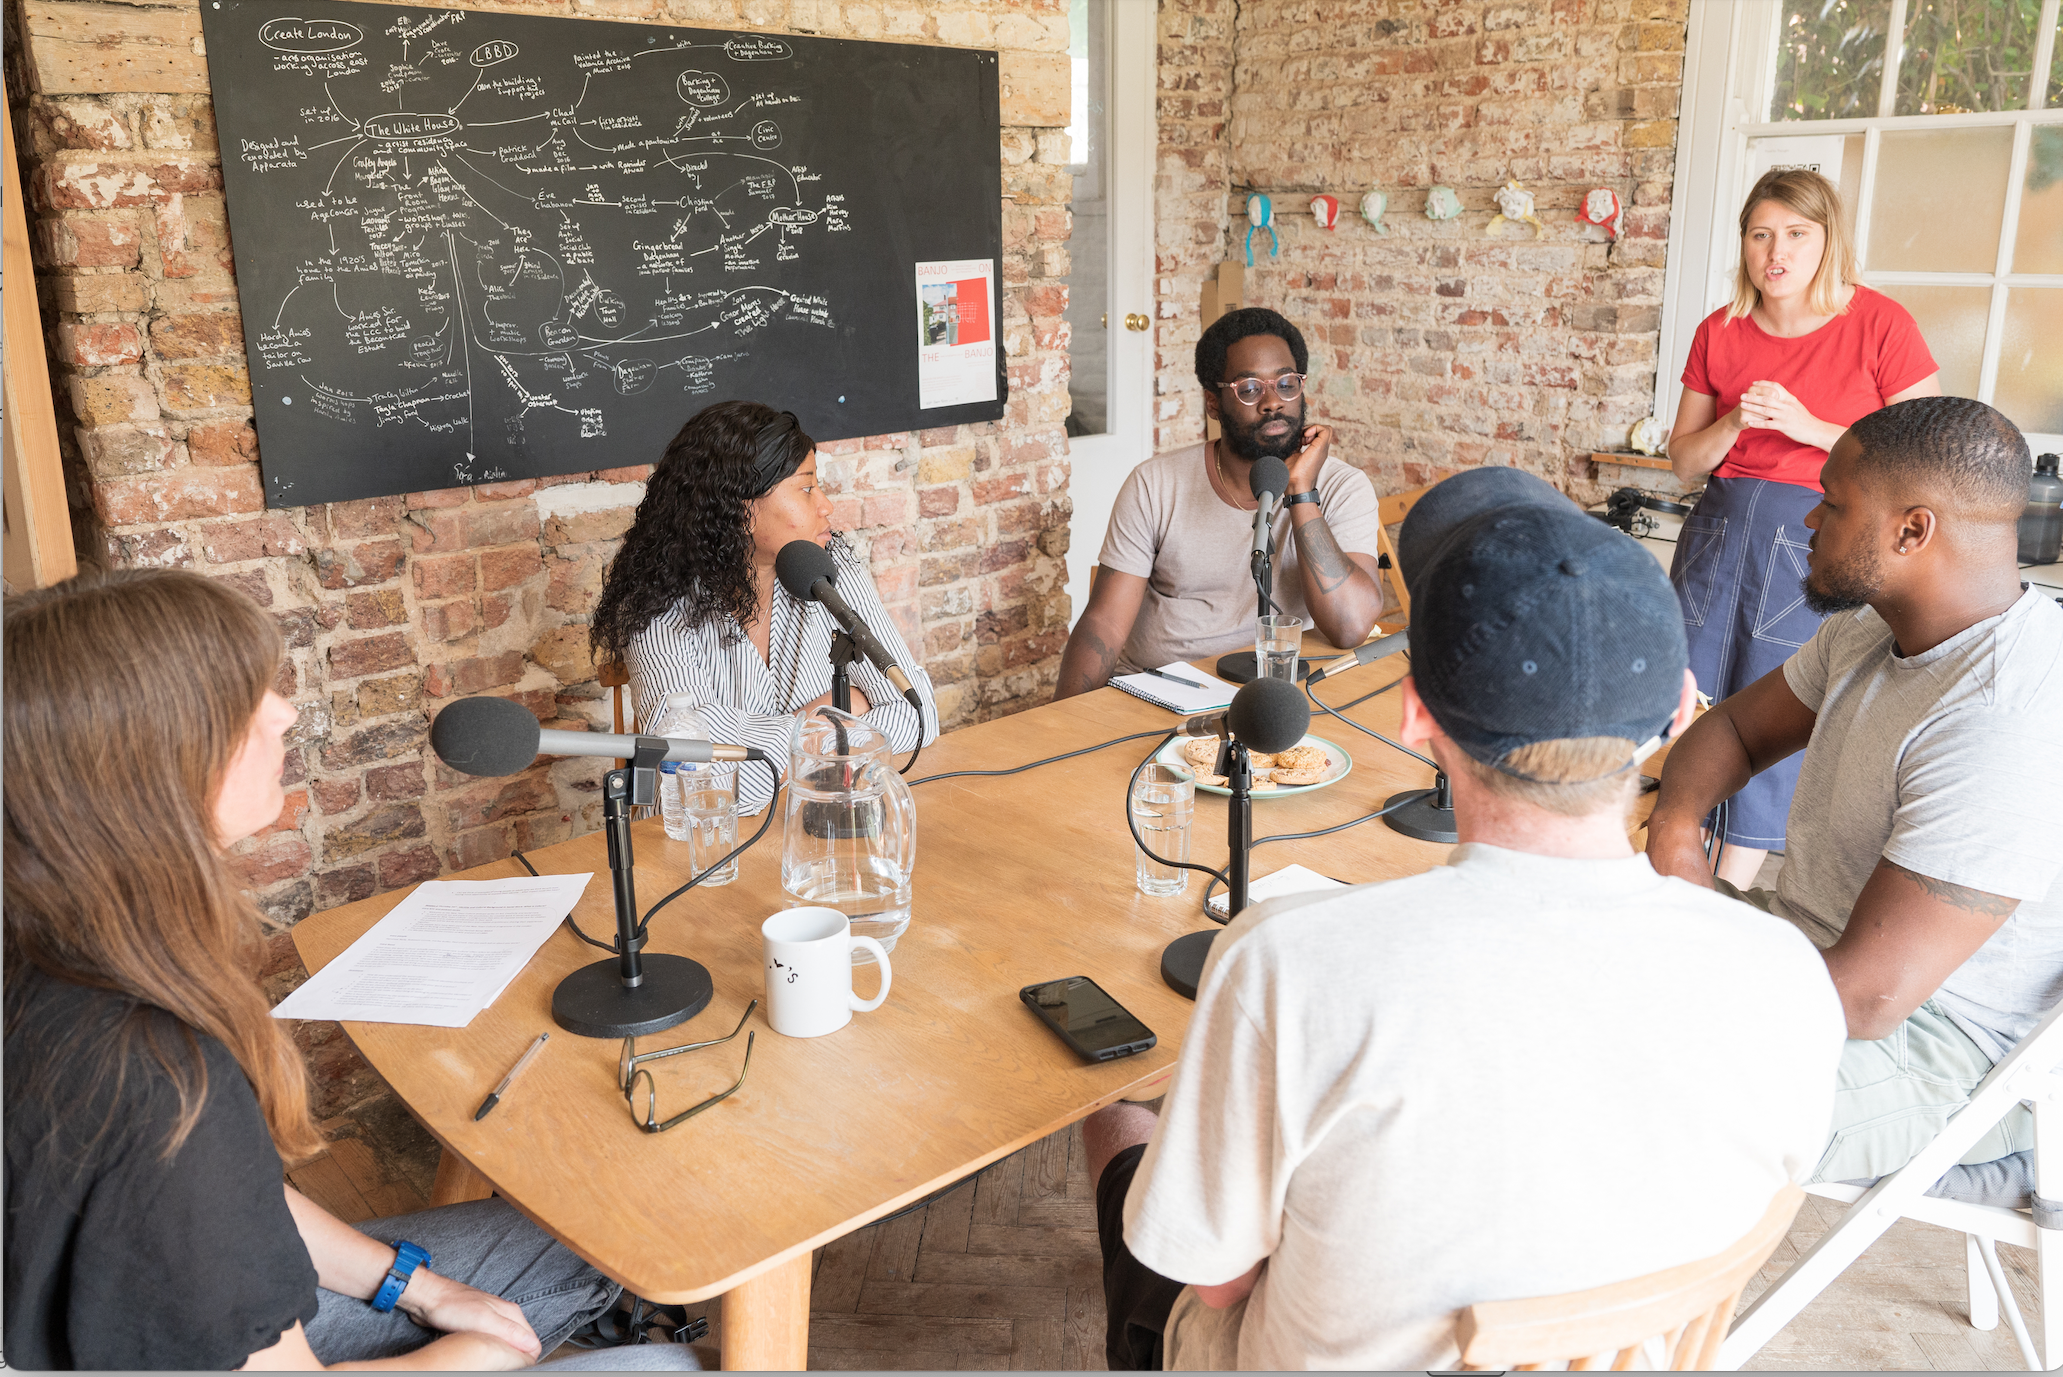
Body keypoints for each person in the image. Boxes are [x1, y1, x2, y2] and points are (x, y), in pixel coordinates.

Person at [1086, 467, 1845, 1370]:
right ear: (1681, 708)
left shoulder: (1286, 962)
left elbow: (1216, 1281)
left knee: (1117, 1125)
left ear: (1416, 717)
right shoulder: (1785, 972)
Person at [2, 569, 696, 1371]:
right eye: (246, 698)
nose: (284, 713)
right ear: (149, 761)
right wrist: (464, 1357)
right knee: (665, 1364)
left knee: (590, 1241)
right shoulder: (162, 1078)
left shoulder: (47, 949)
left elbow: (229, 1202)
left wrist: (418, 1286)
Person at [1649, 396, 2063, 1185]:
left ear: (1911, 531)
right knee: (1560, 949)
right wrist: (1674, 830)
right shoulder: (1869, 627)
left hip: (1939, 1046)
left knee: (1627, 1084)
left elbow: (1869, 999)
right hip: (1808, 949)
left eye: (1832, 503)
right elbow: (1731, 730)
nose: (1808, 520)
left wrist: (1688, 952)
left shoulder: (2005, 717)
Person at [1666, 168, 1940, 887]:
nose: (1775, 252)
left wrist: (1811, 427)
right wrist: (1733, 421)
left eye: (1795, 234)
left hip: (1817, 539)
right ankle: (1670, 877)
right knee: (1683, 702)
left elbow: (1924, 458)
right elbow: (1683, 461)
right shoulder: (1718, 330)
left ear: (1827, 240)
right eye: (1760, 235)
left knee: (1773, 712)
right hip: (1718, 532)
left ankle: (1726, 895)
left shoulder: (1880, 324)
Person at [590, 400, 938, 813]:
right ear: (742, 506)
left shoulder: (827, 567)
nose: (826, 506)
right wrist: (839, 711)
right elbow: (694, 781)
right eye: (806, 488)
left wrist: (759, 742)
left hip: (816, 817)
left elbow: (917, 714)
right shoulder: (657, 600)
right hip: (706, 841)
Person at [1055, 308, 1387, 697]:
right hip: (1160, 690)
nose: (1272, 402)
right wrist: (1062, 719)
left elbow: (1350, 627)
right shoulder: (1155, 483)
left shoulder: (1342, 486)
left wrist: (1301, 492)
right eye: (1249, 388)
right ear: (1213, 403)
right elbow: (1105, 624)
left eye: (1286, 383)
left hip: (1279, 694)